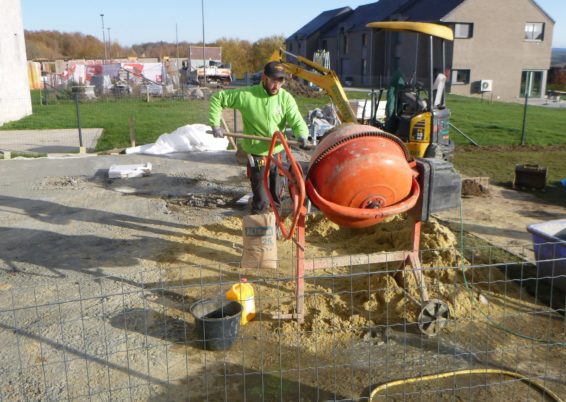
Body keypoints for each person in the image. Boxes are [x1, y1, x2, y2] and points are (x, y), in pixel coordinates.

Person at [208, 61, 310, 214]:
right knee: (261, 198)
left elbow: (296, 119)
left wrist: (302, 135)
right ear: (265, 78)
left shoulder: (285, 98)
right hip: (257, 154)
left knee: (277, 195)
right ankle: (259, 226)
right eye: (273, 80)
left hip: (277, 152)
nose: (277, 85)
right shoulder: (247, 95)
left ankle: (275, 225)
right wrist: (215, 124)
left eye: (280, 81)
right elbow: (218, 98)